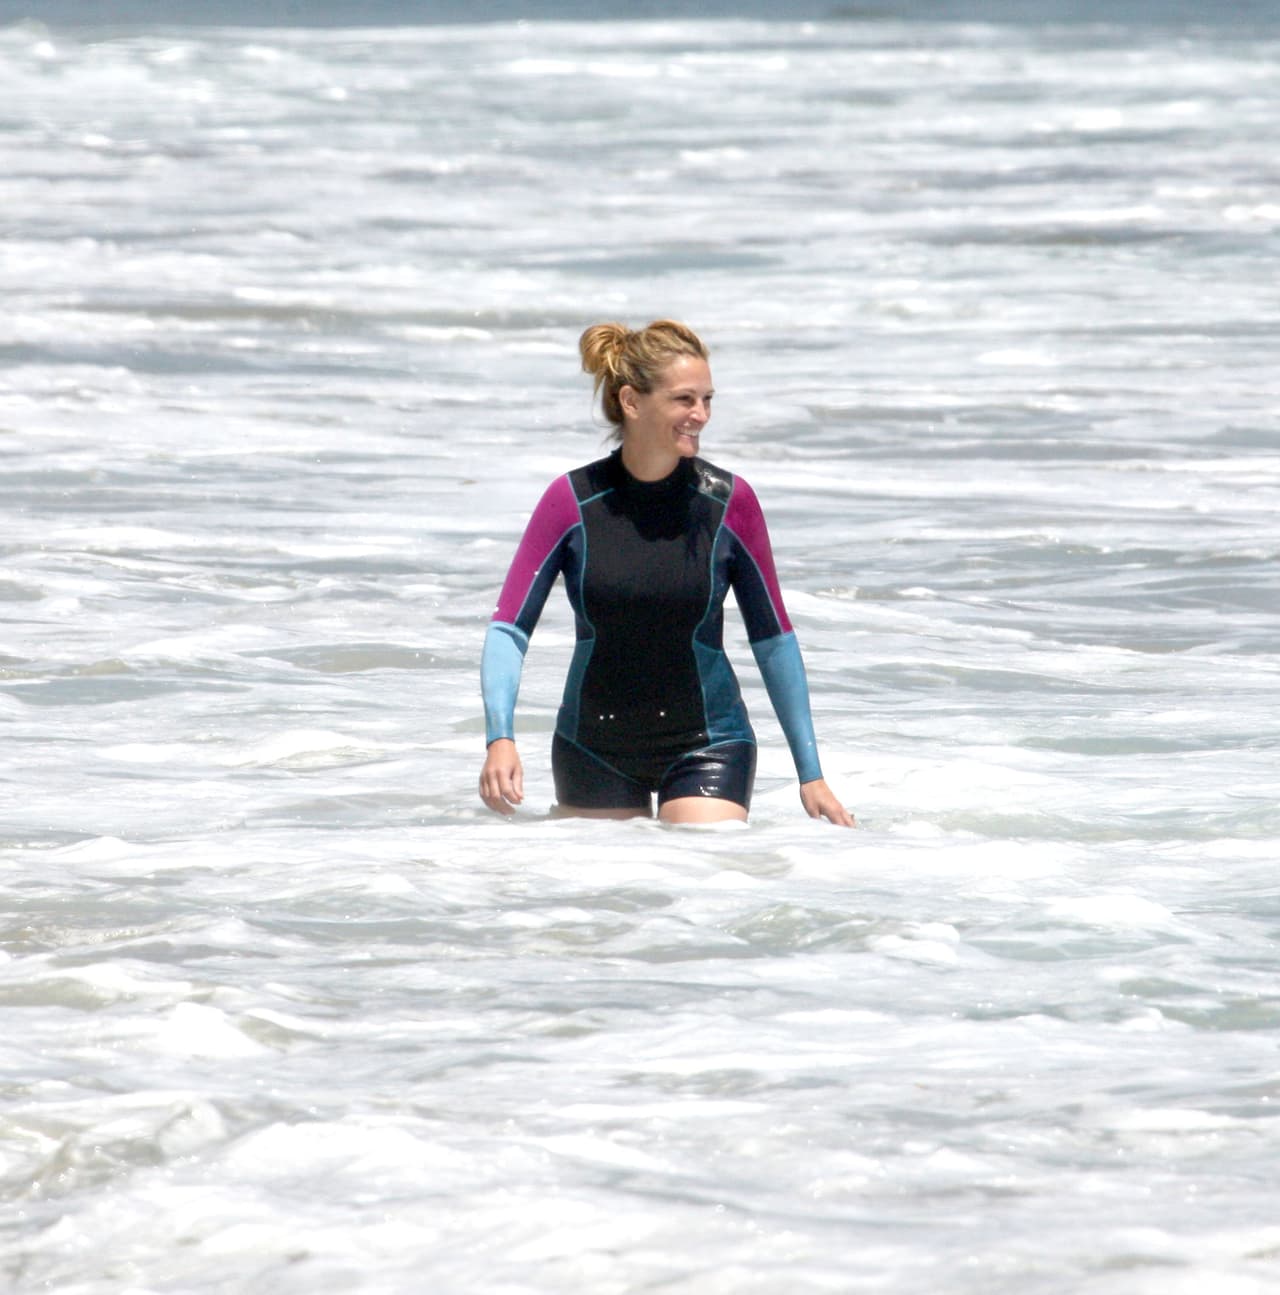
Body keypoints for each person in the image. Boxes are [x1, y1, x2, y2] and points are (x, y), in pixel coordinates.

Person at [479, 319, 854, 828]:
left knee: (704, 877)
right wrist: (500, 738)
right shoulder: (571, 502)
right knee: (602, 902)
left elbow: (774, 638)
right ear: (632, 402)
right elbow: (509, 628)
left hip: (708, 743)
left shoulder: (728, 503)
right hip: (594, 744)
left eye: (707, 399)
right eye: (684, 400)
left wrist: (810, 774)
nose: (700, 415)